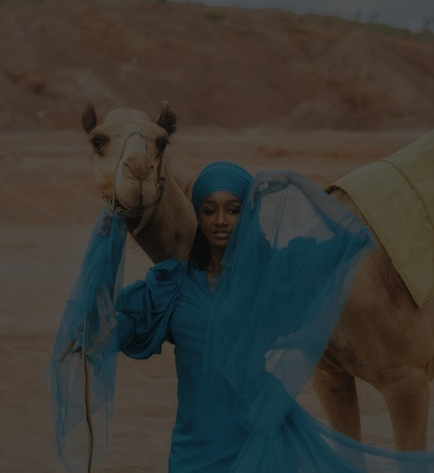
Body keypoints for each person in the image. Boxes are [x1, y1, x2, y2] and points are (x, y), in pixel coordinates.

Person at [50, 162, 434, 473]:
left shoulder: (269, 278)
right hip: (193, 449)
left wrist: (294, 186)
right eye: (210, 210)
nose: (221, 220)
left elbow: (347, 242)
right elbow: (114, 331)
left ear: (248, 214)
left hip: (261, 440)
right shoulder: (171, 286)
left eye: (234, 209)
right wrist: (104, 256)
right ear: (197, 216)